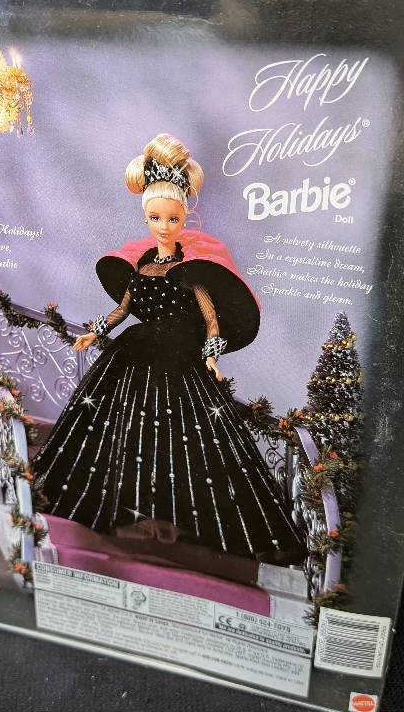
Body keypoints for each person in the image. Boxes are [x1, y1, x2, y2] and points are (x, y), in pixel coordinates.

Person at [32, 134, 304, 564]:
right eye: (155, 218)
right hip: (134, 353)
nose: (163, 226)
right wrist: (94, 332)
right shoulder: (140, 265)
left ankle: (177, 523)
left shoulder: (192, 270)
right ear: (146, 217)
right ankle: (118, 510)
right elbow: (123, 310)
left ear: (184, 219)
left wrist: (211, 356)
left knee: (186, 437)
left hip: (179, 358)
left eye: (172, 219)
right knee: (117, 429)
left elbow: (211, 321)